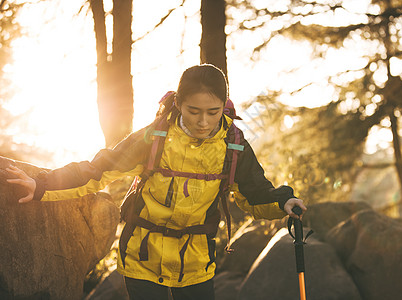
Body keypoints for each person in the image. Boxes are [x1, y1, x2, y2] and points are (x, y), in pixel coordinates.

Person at [6, 64, 307, 300]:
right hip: (142, 256)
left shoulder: (234, 146)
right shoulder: (154, 138)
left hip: (196, 262)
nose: (203, 121)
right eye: (194, 111)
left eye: (213, 112)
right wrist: (41, 185)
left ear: (223, 106)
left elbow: (254, 193)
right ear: (179, 103)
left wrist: (284, 202)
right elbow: (98, 170)